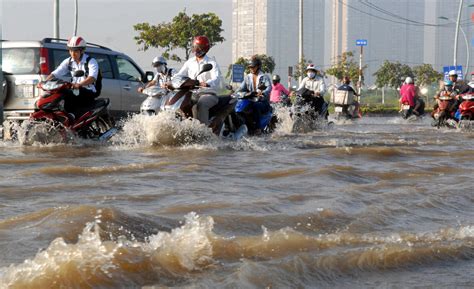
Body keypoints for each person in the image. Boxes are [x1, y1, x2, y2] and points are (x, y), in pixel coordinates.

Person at [172, 35, 223, 125]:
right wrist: (170, 81)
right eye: (194, 47)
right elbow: (180, 74)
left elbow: (217, 78)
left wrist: (206, 83)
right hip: (192, 93)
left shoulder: (211, 63)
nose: (195, 49)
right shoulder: (190, 62)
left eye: (197, 47)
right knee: (179, 104)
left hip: (208, 93)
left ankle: (204, 131)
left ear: (204, 48)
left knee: (201, 104)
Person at [45, 36, 100, 118]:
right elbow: (56, 73)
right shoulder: (68, 61)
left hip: (88, 91)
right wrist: (45, 82)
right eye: (70, 50)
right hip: (75, 90)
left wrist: (79, 84)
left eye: (76, 51)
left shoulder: (91, 61)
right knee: (60, 93)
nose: (73, 53)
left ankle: (72, 116)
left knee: (68, 94)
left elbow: (92, 77)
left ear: (82, 51)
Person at [237, 56, 272, 133]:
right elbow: (240, 89)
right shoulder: (247, 77)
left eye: (253, 67)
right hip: (251, 100)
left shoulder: (264, 77)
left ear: (258, 66)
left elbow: (269, 87)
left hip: (262, 102)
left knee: (256, 106)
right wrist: (237, 93)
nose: (251, 69)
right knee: (240, 107)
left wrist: (263, 93)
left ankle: (258, 128)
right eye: (250, 67)